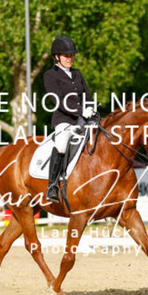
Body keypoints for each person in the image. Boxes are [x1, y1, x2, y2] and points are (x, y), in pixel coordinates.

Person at [43, 36, 94, 202]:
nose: (70, 58)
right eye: (66, 56)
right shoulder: (50, 75)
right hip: (63, 119)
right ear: (57, 57)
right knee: (62, 143)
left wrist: (90, 108)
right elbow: (58, 101)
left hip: (83, 118)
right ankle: (52, 186)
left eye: (72, 55)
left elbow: (86, 96)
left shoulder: (77, 74)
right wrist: (81, 111)